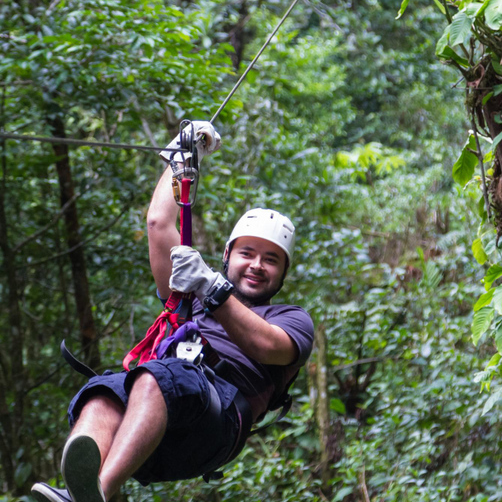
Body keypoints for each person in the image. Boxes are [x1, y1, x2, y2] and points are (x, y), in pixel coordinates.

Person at [31, 122, 314, 502]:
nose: (257, 265)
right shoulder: (189, 295)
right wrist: (180, 155)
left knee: (157, 377)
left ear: (283, 272)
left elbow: (266, 345)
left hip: (217, 422)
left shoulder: (291, 318)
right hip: (154, 427)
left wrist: (211, 287)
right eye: (247, 254)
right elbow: (159, 223)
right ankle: (77, 492)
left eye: (271, 260)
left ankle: (101, 491)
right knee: (101, 393)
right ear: (228, 255)